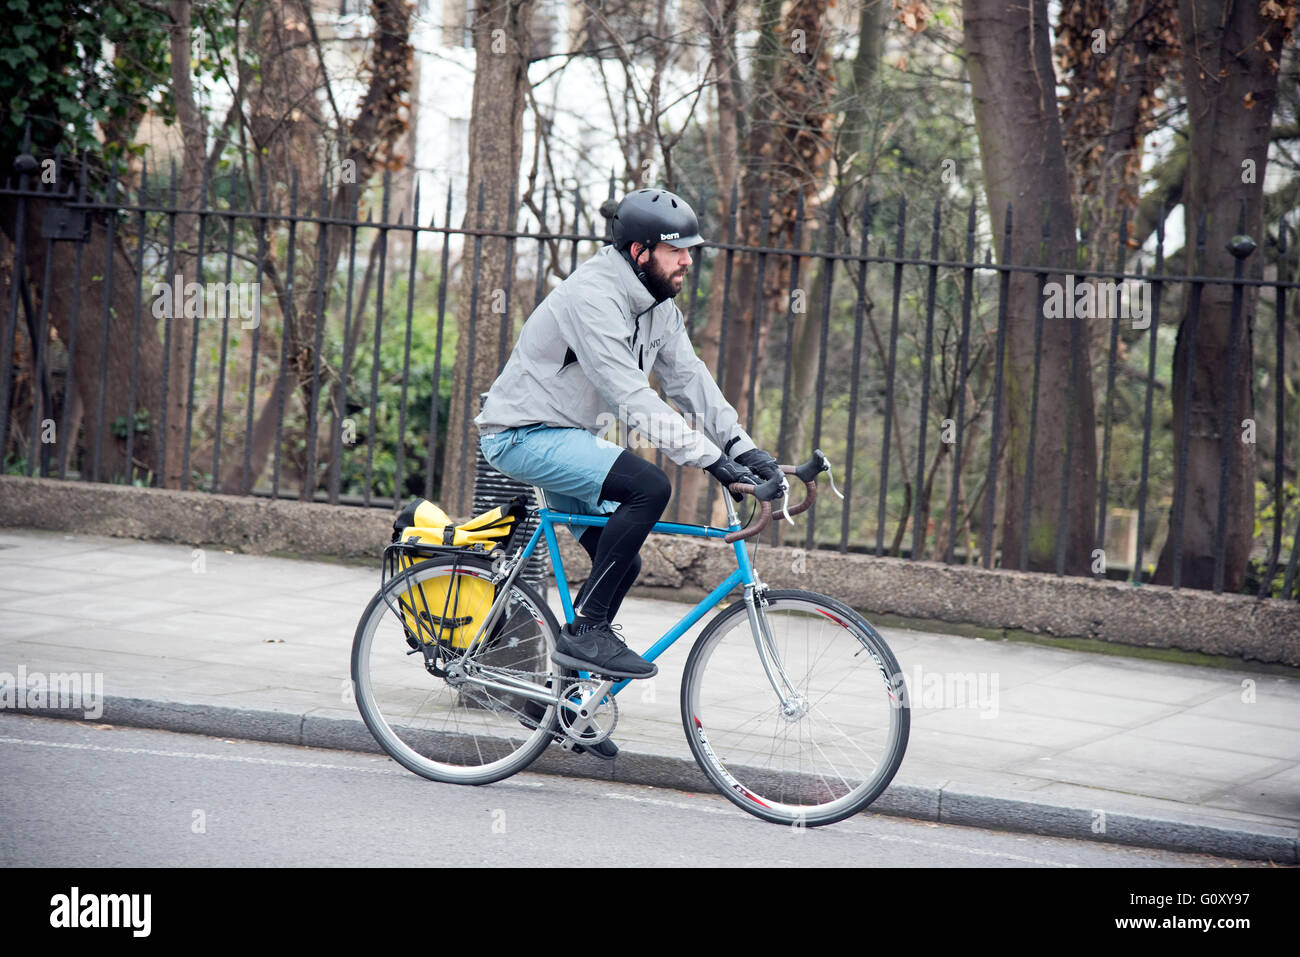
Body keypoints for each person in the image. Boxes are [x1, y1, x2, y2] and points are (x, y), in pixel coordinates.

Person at [475, 187, 783, 753]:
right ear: (640, 251)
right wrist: (713, 463)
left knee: (624, 560)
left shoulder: (657, 305)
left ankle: (554, 702)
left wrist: (743, 447)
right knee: (649, 486)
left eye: (692, 249)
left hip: (566, 438)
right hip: (522, 435)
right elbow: (630, 398)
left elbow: (691, 381)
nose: (689, 259)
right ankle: (588, 634)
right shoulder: (592, 296)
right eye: (677, 250)